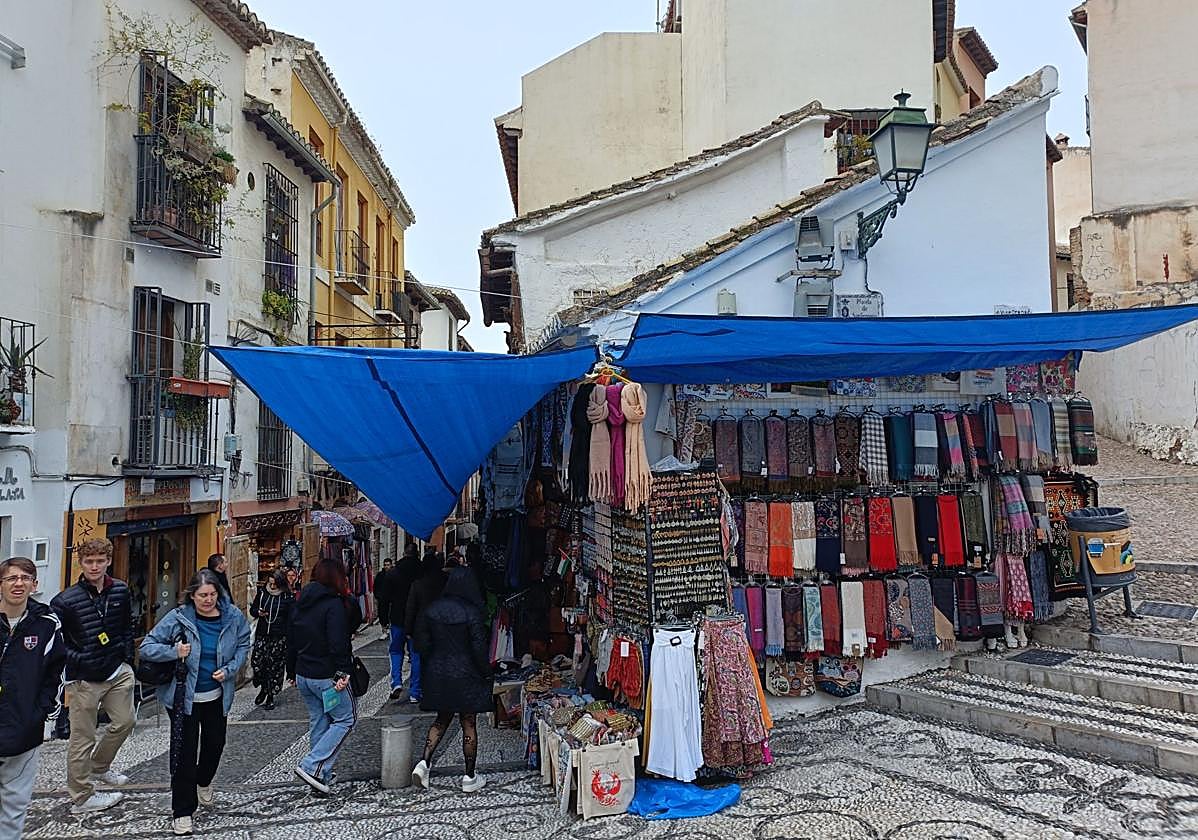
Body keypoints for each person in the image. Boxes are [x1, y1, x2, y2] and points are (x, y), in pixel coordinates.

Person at [139, 569, 251, 836]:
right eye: (202, 595)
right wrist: (174, 651)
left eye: (212, 594)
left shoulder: (232, 616)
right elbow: (146, 646)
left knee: (215, 744)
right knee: (184, 754)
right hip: (183, 698)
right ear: (192, 595)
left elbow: (244, 643)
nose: (208, 600)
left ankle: (203, 781)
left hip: (217, 694)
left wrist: (231, 669)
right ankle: (183, 811)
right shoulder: (178, 618)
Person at [51, 537, 135, 814]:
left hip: (116, 670)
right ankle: (82, 796)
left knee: (125, 722)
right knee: (82, 737)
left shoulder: (121, 590)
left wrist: (125, 653)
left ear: (109, 561)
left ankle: (99, 767)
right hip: (85, 678)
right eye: (90, 561)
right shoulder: (64, 601)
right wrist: (81, 660)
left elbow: (127, 624)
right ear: (81, 563)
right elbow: (57, 643)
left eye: (100, 560)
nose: (95, 566)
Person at [410, 568, 494, 793]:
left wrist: (432, 664)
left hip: (439, 674)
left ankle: (424, 763)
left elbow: (421, 644)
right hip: (467, 675)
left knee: (440, 721)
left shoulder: (432, 609)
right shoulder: (472, 612)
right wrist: (487, 672)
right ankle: (469, 776)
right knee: (469, 723)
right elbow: (478, 648)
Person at [0, 557, 65, 837]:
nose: (19, 584)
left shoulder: (46, 624)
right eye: (12, 578)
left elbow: (57, 673)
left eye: (25, 578)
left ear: (34, 585)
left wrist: (39, 715)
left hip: (23, 729)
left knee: (14, 805)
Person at [287, 559, 357, 795]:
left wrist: (291, 671)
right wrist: (343, 672)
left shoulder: (300, 602)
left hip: (304, 674)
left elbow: (292, 640)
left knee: (320, 721)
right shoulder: (333, 605)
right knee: (346, 719)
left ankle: (320, 775)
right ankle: (312, 766)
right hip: (327, 677)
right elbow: (338, 642)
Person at [403, 551, 447, 706]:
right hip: (441, 625)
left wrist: (408, 630)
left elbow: (411, 609)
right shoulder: (445, 581)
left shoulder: (417, 584)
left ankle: (415, 692)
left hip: (421, 627)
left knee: (417, 661)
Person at [378, 544, 422, 701]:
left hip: (397, 618)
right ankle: (415, 692)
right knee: (416, 654)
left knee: (396, 651)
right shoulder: (421, 571)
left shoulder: (393, 573)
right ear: (417, 554)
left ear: (403, 553)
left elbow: (383, 599)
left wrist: (383, 619)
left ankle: (396, 682)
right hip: (417, 619)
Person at [250, 568, 294, 711]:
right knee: (258, 663)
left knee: (274, 667)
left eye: (275, 584)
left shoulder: (287, 597)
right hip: (263, 634)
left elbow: (291, 618)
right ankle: (263, 686)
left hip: (279, 636)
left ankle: (270, 695)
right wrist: (258, 612)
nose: (272, 586)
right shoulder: (263, 593)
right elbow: (253, 610)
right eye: (270, 583)